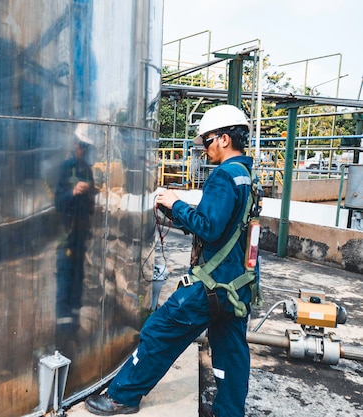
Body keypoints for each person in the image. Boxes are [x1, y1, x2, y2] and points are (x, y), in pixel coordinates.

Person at [85, 105, 258, 417]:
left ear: (222, 139)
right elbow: (226, 226)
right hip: (237, 283)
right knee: (232, 351)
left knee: (160, 330)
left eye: (206, 142)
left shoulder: (223, 176)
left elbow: (209, 226)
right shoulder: (246, 176)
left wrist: (176, 204)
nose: (204, 150)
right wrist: (177, 211)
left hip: (212, 284)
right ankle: (229, 411)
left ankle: (122, 396)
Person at [54, 123, 96, 347]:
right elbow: (56, 203)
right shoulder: (64, 168)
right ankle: (61, 334)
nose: (83, 150)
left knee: (78, 286)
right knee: (64, 286)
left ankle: (73, 330)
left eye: (87, 147)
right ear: (74, 144)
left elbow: (92, 208)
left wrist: (89, 195)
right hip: (65, 238)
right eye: (82, 145)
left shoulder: (87, 170)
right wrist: (72, 192)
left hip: (81, 238)